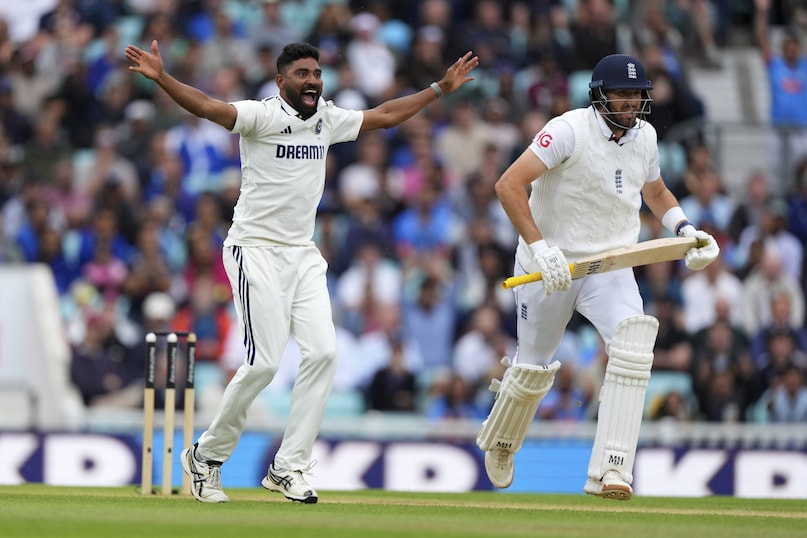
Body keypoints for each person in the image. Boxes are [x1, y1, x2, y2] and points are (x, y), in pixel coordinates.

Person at [124, 39, 478, 504]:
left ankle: (288, 465)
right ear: (281, 81)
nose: (313, 81)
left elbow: (386, 115)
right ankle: (206, 457)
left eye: (316, 73)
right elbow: (209, 107)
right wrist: (163, 78)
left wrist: (438, 89)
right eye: (302, 74)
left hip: (302, 253)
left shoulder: (327, 118)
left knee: (325, 354)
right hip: (254, 250)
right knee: (264, 363)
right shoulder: (262, 115)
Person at [475, 53, 720, 500]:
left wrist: (685, 229)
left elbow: (657, 192)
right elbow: (508, 185)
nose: (631, 102)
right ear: (599, 95)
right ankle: (504, 440)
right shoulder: (567, 130)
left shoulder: (645, 136)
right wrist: (541, 249)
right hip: (549, 267)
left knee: (633, 344)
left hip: (608, 264)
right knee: (532, 368)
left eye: (636, 94)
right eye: (621, 93)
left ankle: (611, 467)